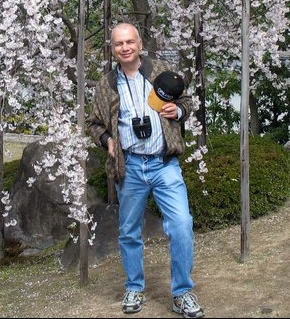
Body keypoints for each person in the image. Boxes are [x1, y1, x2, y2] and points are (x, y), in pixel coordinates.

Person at [86, 22, 205, 318]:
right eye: (118, 44)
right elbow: (94, 124)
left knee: (181, 225)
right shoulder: (106, 85)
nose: (124, 48)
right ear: (112, 49)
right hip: (131, 167)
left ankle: (182, 293)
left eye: (129, 42)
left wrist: (177, 111)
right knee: (128, 231)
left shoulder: (160, 70)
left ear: (139, 44)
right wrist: (107, 140)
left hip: (164, 164)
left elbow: (188, 102)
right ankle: (134, 286)